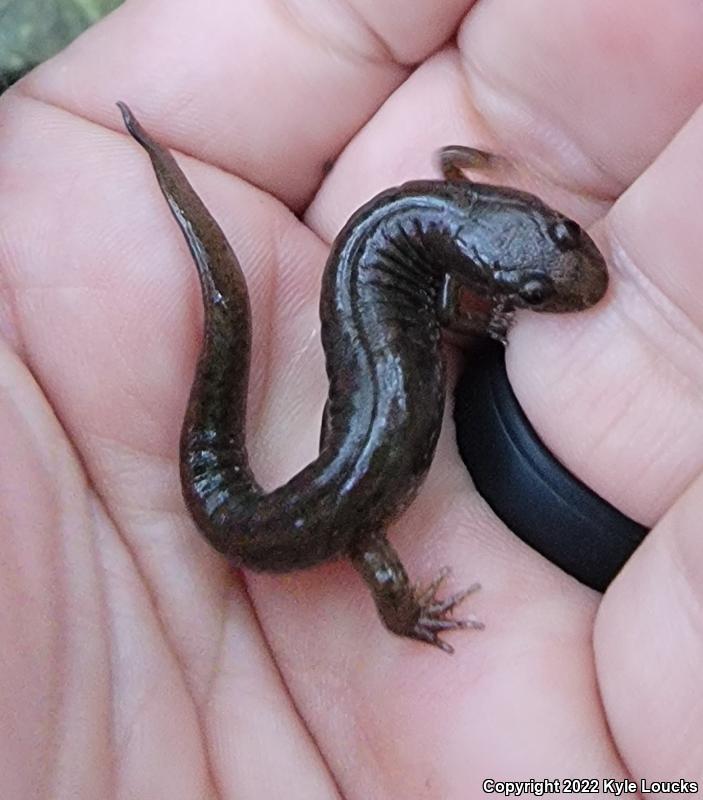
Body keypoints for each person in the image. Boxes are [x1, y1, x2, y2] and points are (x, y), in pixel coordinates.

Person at [0, 1, 700, 796]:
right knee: (355, 491)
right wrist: (489, 317)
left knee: (355, 439)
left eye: (562, 238)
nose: (565, 265)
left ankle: (370, 526)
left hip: (351, 445)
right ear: (477, 260)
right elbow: (446, 299)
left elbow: (447, 214)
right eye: (540, 284)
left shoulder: (437, 219)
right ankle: (398, 614)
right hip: (349, 507)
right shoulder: (443, 274)